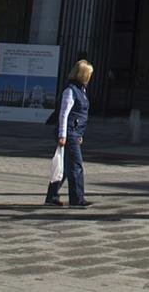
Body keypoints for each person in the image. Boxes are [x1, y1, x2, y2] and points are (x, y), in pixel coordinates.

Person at [45, 60, 93, 208]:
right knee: (76, 165)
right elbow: (63, 114)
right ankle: (77, 199)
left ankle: (52, 196)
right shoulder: (71, 90)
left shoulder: (81, 90)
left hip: (74, 132)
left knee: (65, 168)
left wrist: (79, 134)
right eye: (89, 74)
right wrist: (62, 134)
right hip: (69, 132)